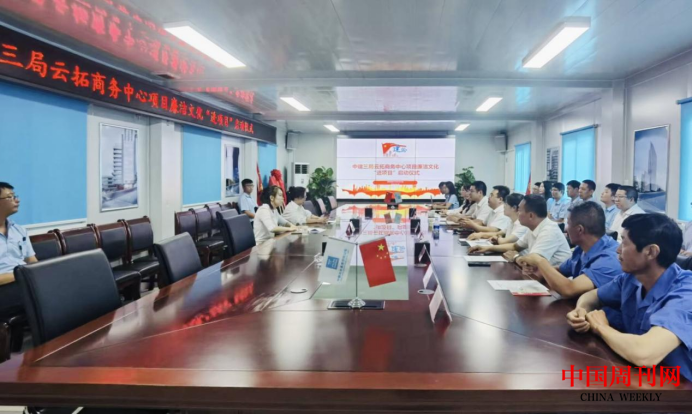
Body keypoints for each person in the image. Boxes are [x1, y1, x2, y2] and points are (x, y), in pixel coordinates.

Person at [567, 214, 692, 381]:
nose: (618, 250)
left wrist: (601, 327)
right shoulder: (631, 278)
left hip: (677, 389)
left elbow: (644, 354)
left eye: (624, 243)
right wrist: (581, 310)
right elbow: (592, 296)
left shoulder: (686, 294)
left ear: (651, 252)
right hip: (639, 377)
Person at [516, 202, 621, 299]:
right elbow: (561, 270)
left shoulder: (609, 259)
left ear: (579, 229)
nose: (566, 229)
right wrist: (538, 270)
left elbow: (569, 289)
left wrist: (540, 261)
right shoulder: (582, 248)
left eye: (569, 224)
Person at [468, 194, 571, 266]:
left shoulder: (549, 230)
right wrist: (487, 248)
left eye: (520, 210)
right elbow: (515, 246)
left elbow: (534, 261)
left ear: (531, 215)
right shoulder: (533, 227)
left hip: (554, 282)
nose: (518, 213)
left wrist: (516, 257)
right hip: (538, 275)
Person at [0, 183, 38, 318]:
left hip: (23, 281)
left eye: (15, 196)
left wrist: (39, 273)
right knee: (40, 299)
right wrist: (22, 274)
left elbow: (32, 260)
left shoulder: (19, 229)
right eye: (10, 197)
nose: (17, 200)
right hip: (5, 288)